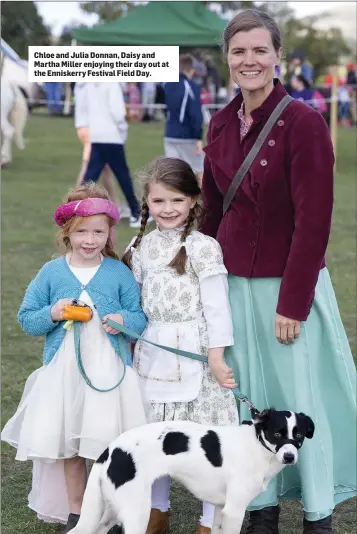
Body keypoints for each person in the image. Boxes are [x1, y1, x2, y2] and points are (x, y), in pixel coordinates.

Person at [200, 9, 356, 534]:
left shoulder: (305, 122)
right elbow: (211, 208)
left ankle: (317, 513)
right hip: (231, 284)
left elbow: (315, 220)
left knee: (299, 400)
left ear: (277, 56)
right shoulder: (220, 122)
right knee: (248, 398)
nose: (249, 60)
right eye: (239, 51)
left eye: (259, 50)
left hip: (288, 286)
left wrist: (293, 301)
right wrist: (194, 272)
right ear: (227, 58)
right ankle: (260, 506)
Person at [1, 183, 147, 533]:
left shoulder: (117, 272)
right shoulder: (52, 273)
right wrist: (54, 312)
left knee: (103, 443)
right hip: (65, 370)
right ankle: (76, 511)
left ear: (109, 233)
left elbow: (139, 318)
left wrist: (124, 322)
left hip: (106, 369)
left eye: (98, 231)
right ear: (67, 232)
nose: (90, 239)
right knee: (70, 442)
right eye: (82, 231)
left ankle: (108, 510)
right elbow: (27, 319)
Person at [122, 157, 239, 534]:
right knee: (154, 437)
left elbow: (218, 307)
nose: (167, 209)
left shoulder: (204, 247)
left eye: (176, 200)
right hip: (153, 351)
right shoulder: (140, 246)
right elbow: (133, 302)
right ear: (147, 203)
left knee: (205, 440)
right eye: (159, 202)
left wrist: (217, 357)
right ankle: (157, 511)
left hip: (199, 356)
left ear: (192, 200)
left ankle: (210, 521)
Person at [78, 82, 142, 228]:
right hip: (112, 136)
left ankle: (75, 207)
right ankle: (135, 212)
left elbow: (86, 109)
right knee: (122, 175)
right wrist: (122, 129)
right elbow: (118, 113)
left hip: (97, 135)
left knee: (90, 175)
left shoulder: (90, 85)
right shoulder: (112, 85)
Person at [164, 54, 204, 183]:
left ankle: (176, 202)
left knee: (173, 174)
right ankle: (204, 202)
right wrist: (198, 137)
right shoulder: (191, 86)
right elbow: (195, 113)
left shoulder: (168, 85)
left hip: (169, 134)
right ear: (190, 69)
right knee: (199, 171)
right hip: (187, 136)